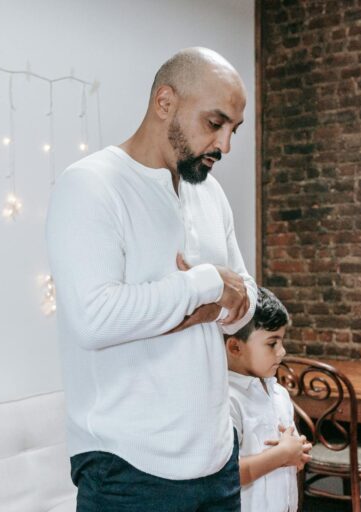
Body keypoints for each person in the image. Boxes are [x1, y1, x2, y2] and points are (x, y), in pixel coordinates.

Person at [46, 47, 258, 511]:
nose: (225, 146)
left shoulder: (210, 193)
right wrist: (201, 288)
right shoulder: (90, 185)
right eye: (215, 123)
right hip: (127, 471)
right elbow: (94, 319)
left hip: (218, 461)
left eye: (233, 130)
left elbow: (246, 296)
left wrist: (201, 306)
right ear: (165, 103)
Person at [225, 287, 312, 512]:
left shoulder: (279, 394)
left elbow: (289, 456)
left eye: (282, 342)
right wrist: (282, 454)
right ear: (235, 346)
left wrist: (296, 453)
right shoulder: (227, 400)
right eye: (272, 343)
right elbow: (227, 475)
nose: (282, 352)